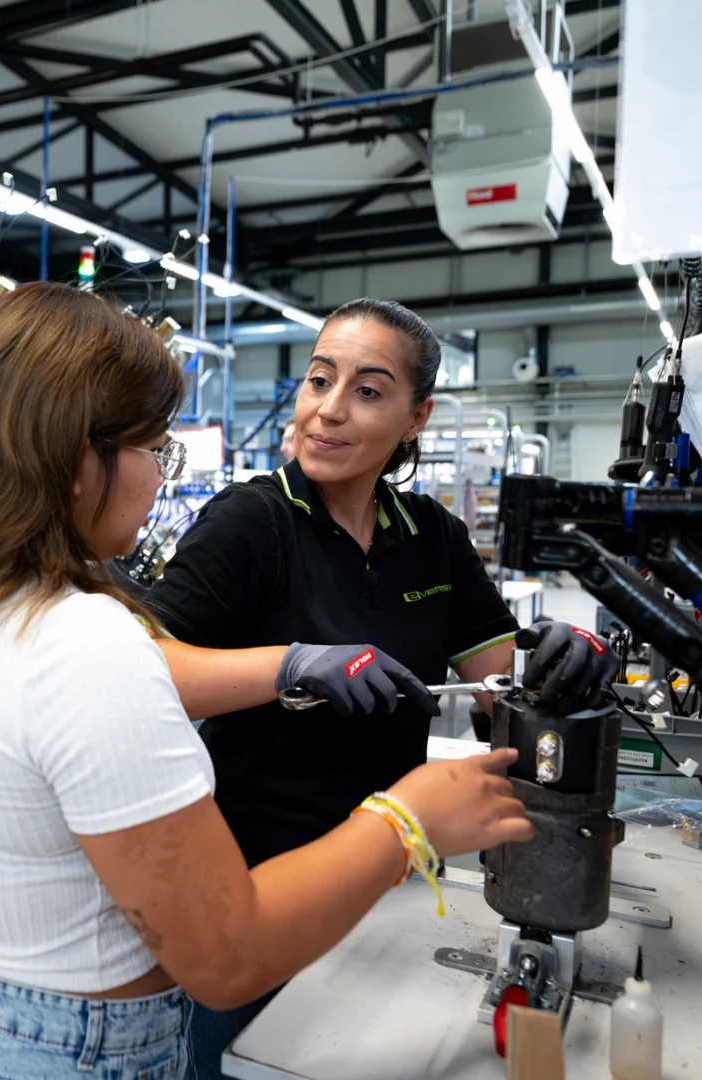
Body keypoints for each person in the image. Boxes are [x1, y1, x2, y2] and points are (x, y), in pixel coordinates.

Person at [0, 283, 532, 1080]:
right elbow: (223, 956)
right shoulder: (85, 642)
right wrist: (407, 820)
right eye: (154, 449)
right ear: (78, 462)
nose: (159, 479)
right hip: (61, 1051)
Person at [145, 296, 620, 1077]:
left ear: (415, 417)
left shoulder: (430, 537)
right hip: (257, 882)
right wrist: (290, 663)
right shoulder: (252, 522)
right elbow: (142, 669)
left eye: (367, 391)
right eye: (318, 381)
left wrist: (567, 664)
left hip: (387, 878)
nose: (326, 413)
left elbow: (503, 684)